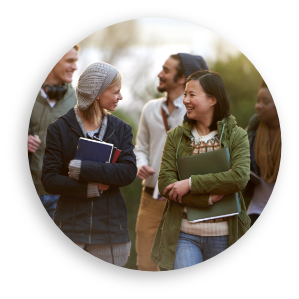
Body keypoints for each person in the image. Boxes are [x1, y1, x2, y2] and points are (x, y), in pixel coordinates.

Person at [151, 70, 251, 270]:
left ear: (212, 100)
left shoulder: (237, 135)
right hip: (184, 235)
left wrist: (189, 184)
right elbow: (165, 184)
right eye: (185, 94)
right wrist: (206, 198)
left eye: (192, 95)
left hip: (226, 236)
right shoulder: (175, 137)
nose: (185, 100)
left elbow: (239, 177)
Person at [41, 62, 137, 267]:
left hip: (111, 234)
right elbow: (49, 180)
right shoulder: (58, 129)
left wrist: (82, 169)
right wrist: (90, 188)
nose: (121, 97)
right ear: (97, 93)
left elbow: (128, 172)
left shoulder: (122, 129)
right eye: (116, 92)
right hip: (70, 229)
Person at [134, 53, 209, 271]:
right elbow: (140, 147)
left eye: (166, 70)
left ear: (182, 78)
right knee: (145, 265)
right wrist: (141, 164)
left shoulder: (197, 112)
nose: (159, 74)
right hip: (149, 199)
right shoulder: (150, 108)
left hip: (185, 202)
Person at [28, 45, 79, 220]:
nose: (75, 67)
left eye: (76, 61)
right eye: (69, 61)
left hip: (61, 194)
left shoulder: (78, 100)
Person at [243, 78, 281, 227]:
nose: (258, 106)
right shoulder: (253, 131)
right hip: (256, 209)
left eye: (266, 102)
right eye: (258, 101)